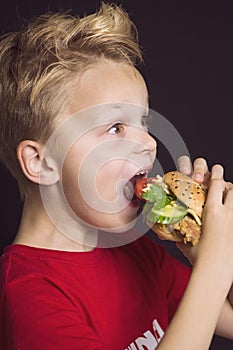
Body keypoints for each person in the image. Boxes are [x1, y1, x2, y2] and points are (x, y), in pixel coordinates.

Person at [0, 3, 232, 349]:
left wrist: (204, 247)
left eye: (144, 123)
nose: (149, 144)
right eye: (115, 127)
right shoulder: (29, 295)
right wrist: (214, 266)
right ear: (41, 161)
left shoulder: (135, 255)